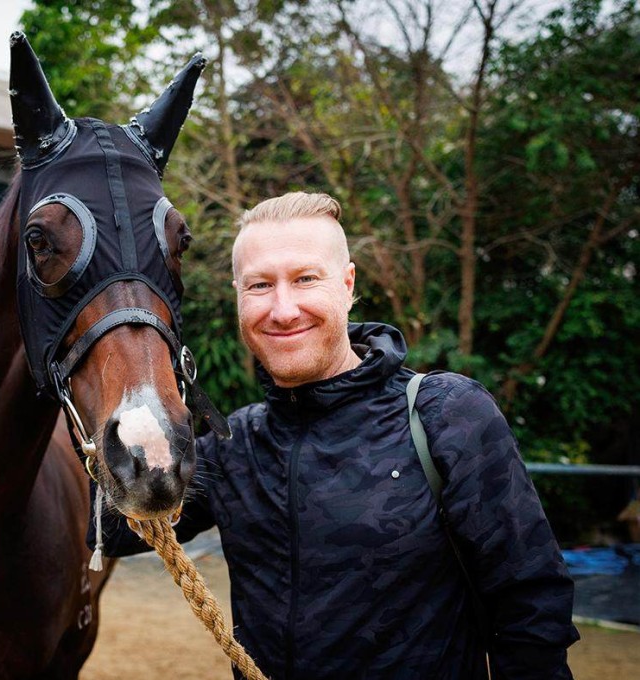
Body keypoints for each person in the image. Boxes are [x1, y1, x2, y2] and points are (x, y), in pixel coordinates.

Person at [91, 191, 579, 679]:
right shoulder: (235, 445)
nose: (283, 310)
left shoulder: (446, 415)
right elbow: (108, 531)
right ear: (238, 295)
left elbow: (531, 606)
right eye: (260, 285)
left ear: (347, 285)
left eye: (305, 279)